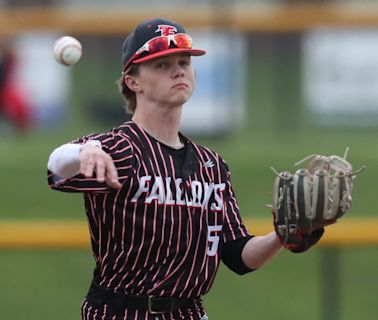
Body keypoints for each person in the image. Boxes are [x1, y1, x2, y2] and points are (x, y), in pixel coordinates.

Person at [47, 18, 283, 320]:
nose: (178, 70)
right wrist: (84, 151)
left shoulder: (211, 165)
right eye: (161, 65)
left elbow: (237, 254)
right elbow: (56, 168)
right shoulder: (118, 149)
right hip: (122, 313)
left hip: (189, 312)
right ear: (133, 82)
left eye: (184, 62)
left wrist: (282, 236)